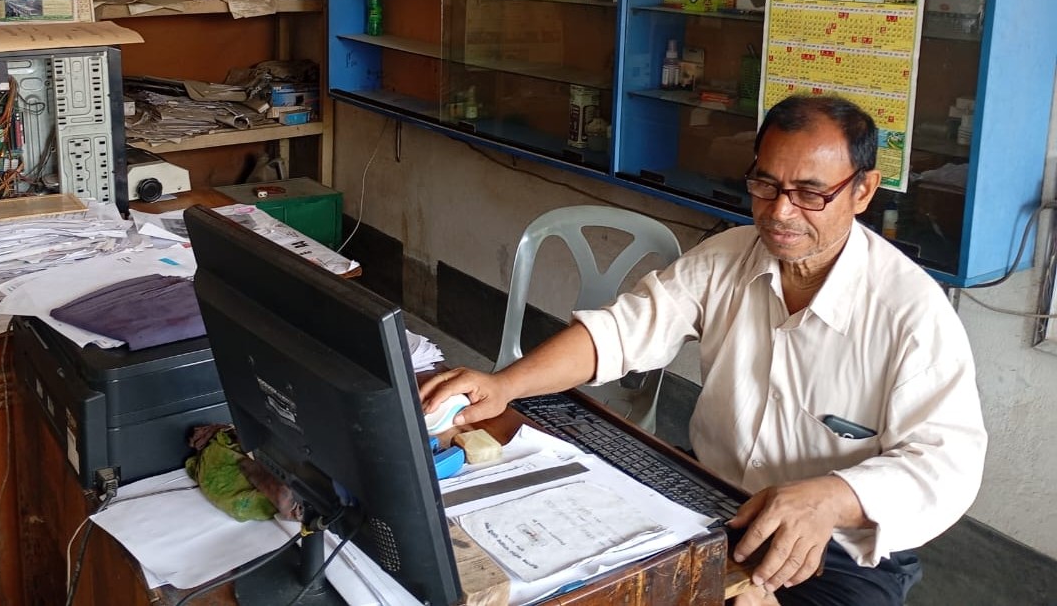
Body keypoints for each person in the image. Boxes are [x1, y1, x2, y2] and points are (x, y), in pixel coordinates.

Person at [420, 94, 986, 605]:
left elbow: (946, 464)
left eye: (811, 193)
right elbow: (622, 331)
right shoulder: (728, 257)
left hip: (837, 548)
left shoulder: (910, 312)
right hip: (711, 500)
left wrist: (833, 498)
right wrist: (504, 385)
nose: (780, 211)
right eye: (766, 185)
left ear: (862, 190)